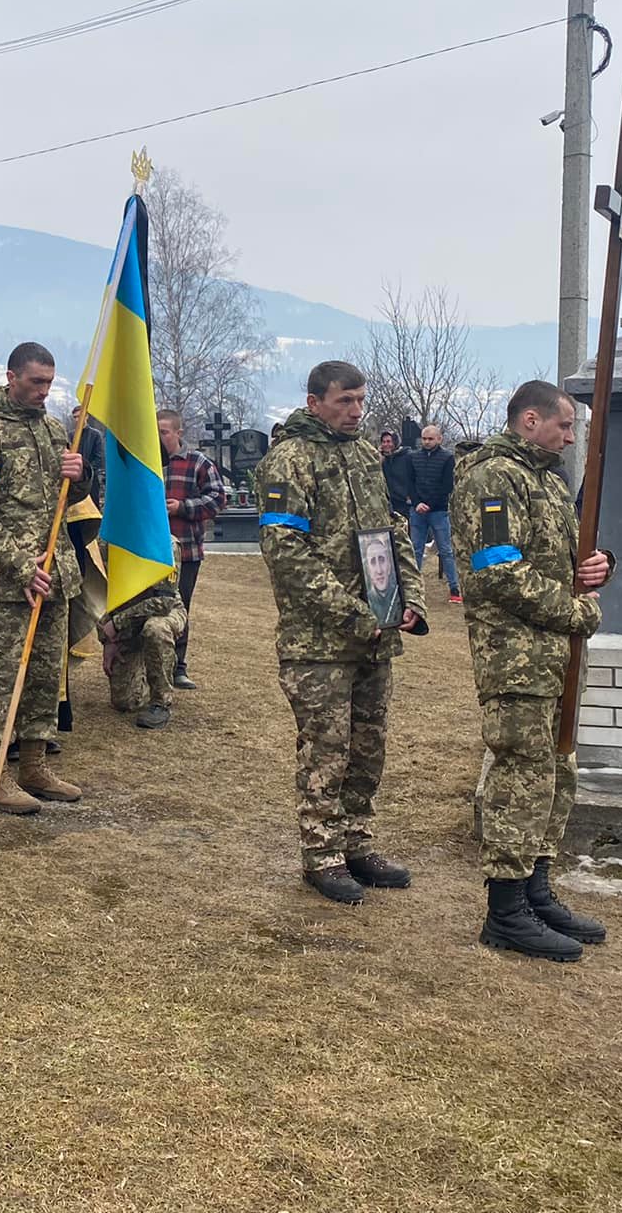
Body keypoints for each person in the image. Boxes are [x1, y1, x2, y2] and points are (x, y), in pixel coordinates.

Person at [454, 381, 614, 962]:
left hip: (556, 653)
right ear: (529, 420)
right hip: (515, 655)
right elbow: (498, 571)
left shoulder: (547, 480)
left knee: (554, 773)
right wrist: (574, 610)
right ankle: (506, 910)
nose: (571, 438)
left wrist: (599, 566)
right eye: (565, 426)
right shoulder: (493, 478)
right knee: (520, 774)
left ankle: (536, 889)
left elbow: (564, 559)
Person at [255, 360, 425, 905]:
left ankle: (356, 840)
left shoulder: (363, 453)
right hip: (319, 642)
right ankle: (322, 852)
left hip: (375, 634)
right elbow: (287, 554)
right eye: (344, 401)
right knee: (328, 746)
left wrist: (409, 599)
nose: (355, 411)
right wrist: (356, 613)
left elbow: (390, 529)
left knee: (368, 745)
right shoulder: (288, 461)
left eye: (360, 400)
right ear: (314, 402)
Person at [0, 342, 88, 814]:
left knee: (48, 675)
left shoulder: (54, 430)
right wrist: (20, 565)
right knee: (6, 676)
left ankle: (34, 764)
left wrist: (82, 473)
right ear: (11, 377)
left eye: (49, 382)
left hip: (57, 576)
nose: (44, 391)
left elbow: (65, 498)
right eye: (35, 382)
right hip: (12, 582)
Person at [158, 409, 226, 691]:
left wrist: (183, 507)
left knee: (180, 606)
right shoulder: (146, 462)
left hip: (186, 551)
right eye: (155, 432)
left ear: (178, 433)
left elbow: (217, 499)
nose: (159, 438)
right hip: (152, 549)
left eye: (164, 432)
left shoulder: (198, 463)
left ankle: (178, 667)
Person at [101, 577, 186, 729]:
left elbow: (164, 602)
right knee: (126, 702)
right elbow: (105, 593)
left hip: (165, 610)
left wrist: (117, 623)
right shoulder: (112, 552)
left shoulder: (166, 552)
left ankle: (160, 701)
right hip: (129, 613)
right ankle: (156, 662)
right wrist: (108, 640)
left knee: (155, 629)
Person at [407, 423, 461, 604]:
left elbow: (446, 486)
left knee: (445, 550)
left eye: (430, 438)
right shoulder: (413, 457)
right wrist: (417, 503)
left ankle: (454, 588)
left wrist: (428, 504)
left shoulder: (447, 458)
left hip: (438, 510)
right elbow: (409, 483)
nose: (427, 442)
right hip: (417, 511)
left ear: (439, 439)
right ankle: (413, 589)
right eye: (424, 438)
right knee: (416, 549)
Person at [379, 430, 414, 524]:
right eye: (383, 442)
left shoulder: (408, 456)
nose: (386, 444)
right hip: (392, 504)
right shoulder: (384, 460)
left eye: (389, 441)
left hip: (408, 503)